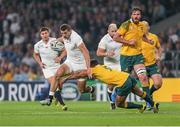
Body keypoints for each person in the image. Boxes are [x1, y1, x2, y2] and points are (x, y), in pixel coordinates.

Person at [63, 59, 159, 113]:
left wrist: (67, 78)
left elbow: (80, 74)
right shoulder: (102, 67)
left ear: (91, 66)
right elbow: (81, 73)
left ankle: (140, 107)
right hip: (127, 77)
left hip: (123, 83)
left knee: (119, 104)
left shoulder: (94, 70)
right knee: (140, 93)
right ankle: (153, 104)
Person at [40, 24, 94, 106]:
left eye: (65, 33)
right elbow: (61, 39)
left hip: (81, 65)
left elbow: (86, 52)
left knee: (82, 90)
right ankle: (50, 99)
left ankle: (91, 89)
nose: (63, 35)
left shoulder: (76, 38)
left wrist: (88, 68)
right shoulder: (64, 37)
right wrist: (54, 42)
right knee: (57, 75)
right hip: (70, 61)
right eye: (62, 33)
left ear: (70, 31)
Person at [113, 7, 153, 102]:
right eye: (134, 14)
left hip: (138, 56)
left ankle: (149, 102)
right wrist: (128, 42)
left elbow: (142, 36)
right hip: (126, 57)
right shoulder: (126, 24)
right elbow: (115, 37)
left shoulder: (142, 25)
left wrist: (148, 40)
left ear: (140, 16)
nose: (136, 16)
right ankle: (116, 92)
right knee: (125, 81)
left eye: (138, 14)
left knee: (143, 77)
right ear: (131, 15)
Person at [33, 27, 67, 110]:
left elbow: (65, 50)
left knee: (59, 85)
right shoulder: (38, 45)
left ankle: (55, 98)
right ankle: (62, 105)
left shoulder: (54, 41)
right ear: (40, 35)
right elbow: (35, 54)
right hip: (47, 68)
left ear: (49, 33)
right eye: (43, 34)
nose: (44, 35)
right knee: (54, 83)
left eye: (46, 33)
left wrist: (60, 57)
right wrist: (40, 63)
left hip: (57, 67)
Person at [96, 23, 122, 110]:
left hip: (120, 63)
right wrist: (107, 53)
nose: (114, 33)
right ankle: (111, 101)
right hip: (110, 64)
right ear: (108, 31)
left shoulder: (120, 36)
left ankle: (115, 96)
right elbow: (98, 53)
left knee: (122, 82)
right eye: (112, 31)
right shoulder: (104, 40)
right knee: (111, 85)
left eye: (116, 31)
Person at [141, 21, 163, 108]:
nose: (143, 28)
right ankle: (149, 103)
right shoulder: (137, 37)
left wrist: (158, 55)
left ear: (148, 27)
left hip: (152, 64)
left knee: (158, 83)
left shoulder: (154, 37)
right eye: (142, 26)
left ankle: (149, 94)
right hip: (141, 65)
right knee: (146, 83)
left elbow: (159, 48)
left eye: (145, 26)